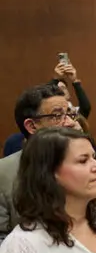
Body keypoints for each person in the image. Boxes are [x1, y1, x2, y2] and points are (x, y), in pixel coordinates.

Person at [0, 84, 79, 244]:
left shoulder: (86, 164)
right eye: (57, 116)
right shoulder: (4, 173)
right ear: (31, 126)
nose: (70, 123)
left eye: (70, 114)